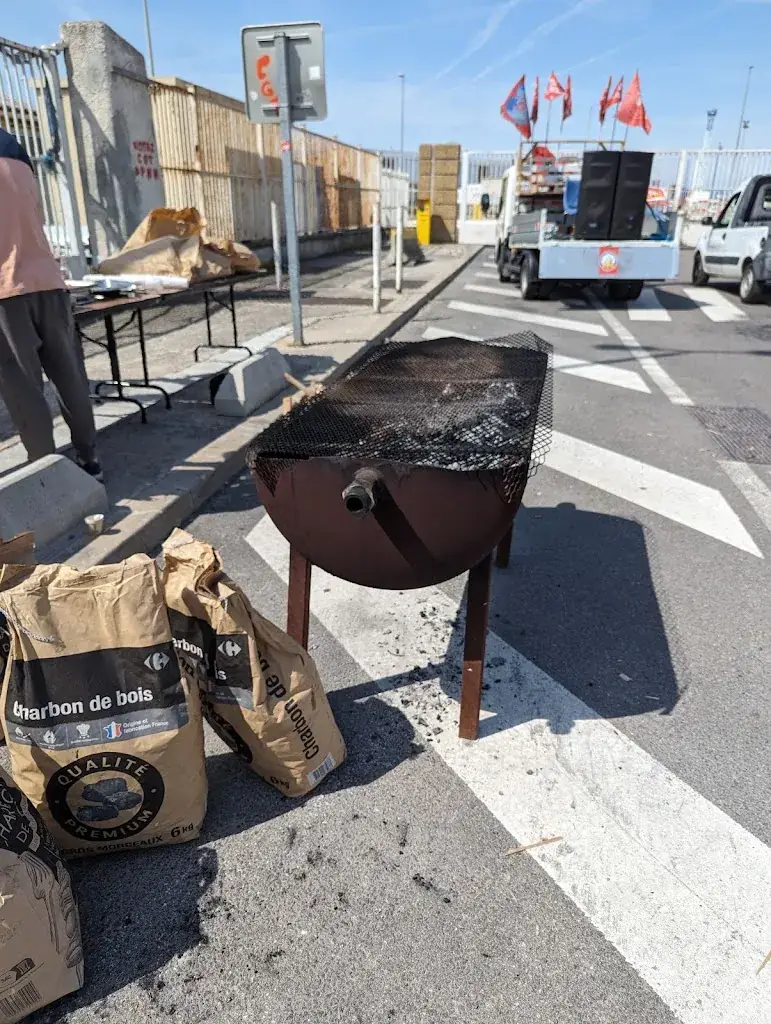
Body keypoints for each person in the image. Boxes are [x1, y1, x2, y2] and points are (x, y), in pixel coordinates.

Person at [0, 127, 101, 479]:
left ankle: (46, 471)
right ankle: (90, 459)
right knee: (69, 374)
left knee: (23, 386)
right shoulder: (16, 151)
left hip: (6, 291)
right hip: (49, 281)